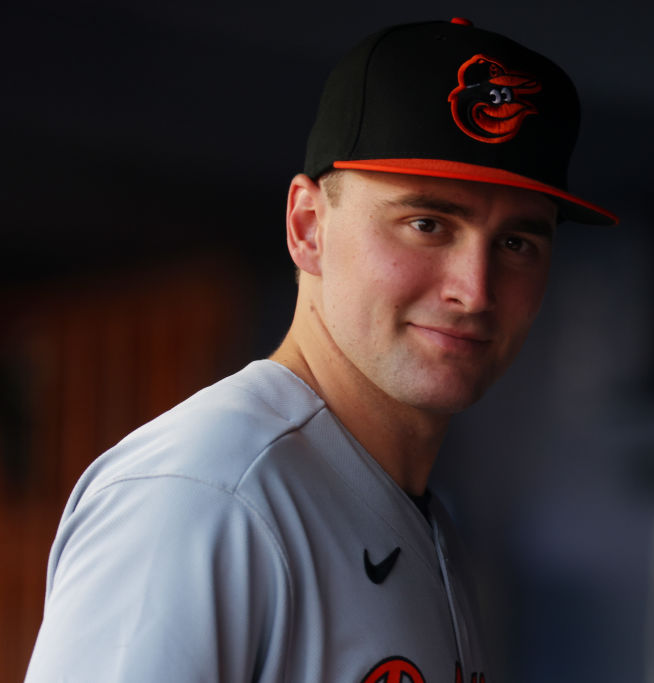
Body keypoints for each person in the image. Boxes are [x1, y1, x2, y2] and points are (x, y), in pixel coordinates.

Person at [25, 17, 616, 683]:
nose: (474, 289)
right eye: (427, 223)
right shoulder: (207, 493)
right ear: (308, 228)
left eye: (517, 242)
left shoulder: (420, 517)